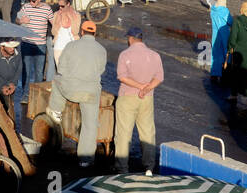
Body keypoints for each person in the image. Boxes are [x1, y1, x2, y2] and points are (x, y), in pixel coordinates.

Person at [47, 20, 107, 168]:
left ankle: (56, 110)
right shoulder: (101, 50)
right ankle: (85, 160)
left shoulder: (71, 46)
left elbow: (61, 69)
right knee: (90, 124)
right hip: (90, 94)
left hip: (70, 90)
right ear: (95, 33)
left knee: (57, 80)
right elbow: (101, 71)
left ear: (81, 32)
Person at [114, 27, 164, 173]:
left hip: (127, 98)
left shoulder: (125, 54)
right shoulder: (154, 55)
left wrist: (140, 86)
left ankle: (122, 168)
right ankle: (149, 167)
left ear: (130, 39)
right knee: (147, 133)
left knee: (124, 134)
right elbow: (159, 77)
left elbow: (122, 77)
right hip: (147, 99)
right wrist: (146, 89)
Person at [15, 0, 52, 93]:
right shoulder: (26, 7)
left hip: (40, 45)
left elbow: (54, 23)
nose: (31, 2)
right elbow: (17, 20)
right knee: (26, 71)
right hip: (27, 43)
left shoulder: (47, 9)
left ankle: (37, 95)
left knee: (39, 72)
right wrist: (21, 20)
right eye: (29, 0)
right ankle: (26, 94)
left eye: (33, 1)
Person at [226, 1, 247, 98]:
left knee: (236, 73)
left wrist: (230, 48)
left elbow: (233, 37)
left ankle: (234, 95)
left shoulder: (237, 20)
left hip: (239, 52)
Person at [0, 40, 23, 122]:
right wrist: (1, 86)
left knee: (9, 111)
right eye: (10, 47)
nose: (13, 49)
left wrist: (13, 83)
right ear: (2, 47)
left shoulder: (17, 54)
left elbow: (19, 70)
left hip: (10, 87)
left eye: (14, 47)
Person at [50, 0, 81, 71]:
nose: (60, 8)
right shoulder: (56, 14)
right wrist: (58, 21)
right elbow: (53, 32)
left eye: (62, 6)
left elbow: (75, 31)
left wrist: (70, 16)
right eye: (59, 6)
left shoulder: (76, 15)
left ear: (68, 4)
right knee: (61, 72)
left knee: (72, 72)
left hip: (72, 47)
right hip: (58, 47)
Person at [208, 0, 232, 87]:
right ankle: (224, 73)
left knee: (215, 53)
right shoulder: (225, 10)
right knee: (225, 53)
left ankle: (214, 73)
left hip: (215, 33)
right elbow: (230, 22)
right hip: (224, 33)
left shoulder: (213, 9)